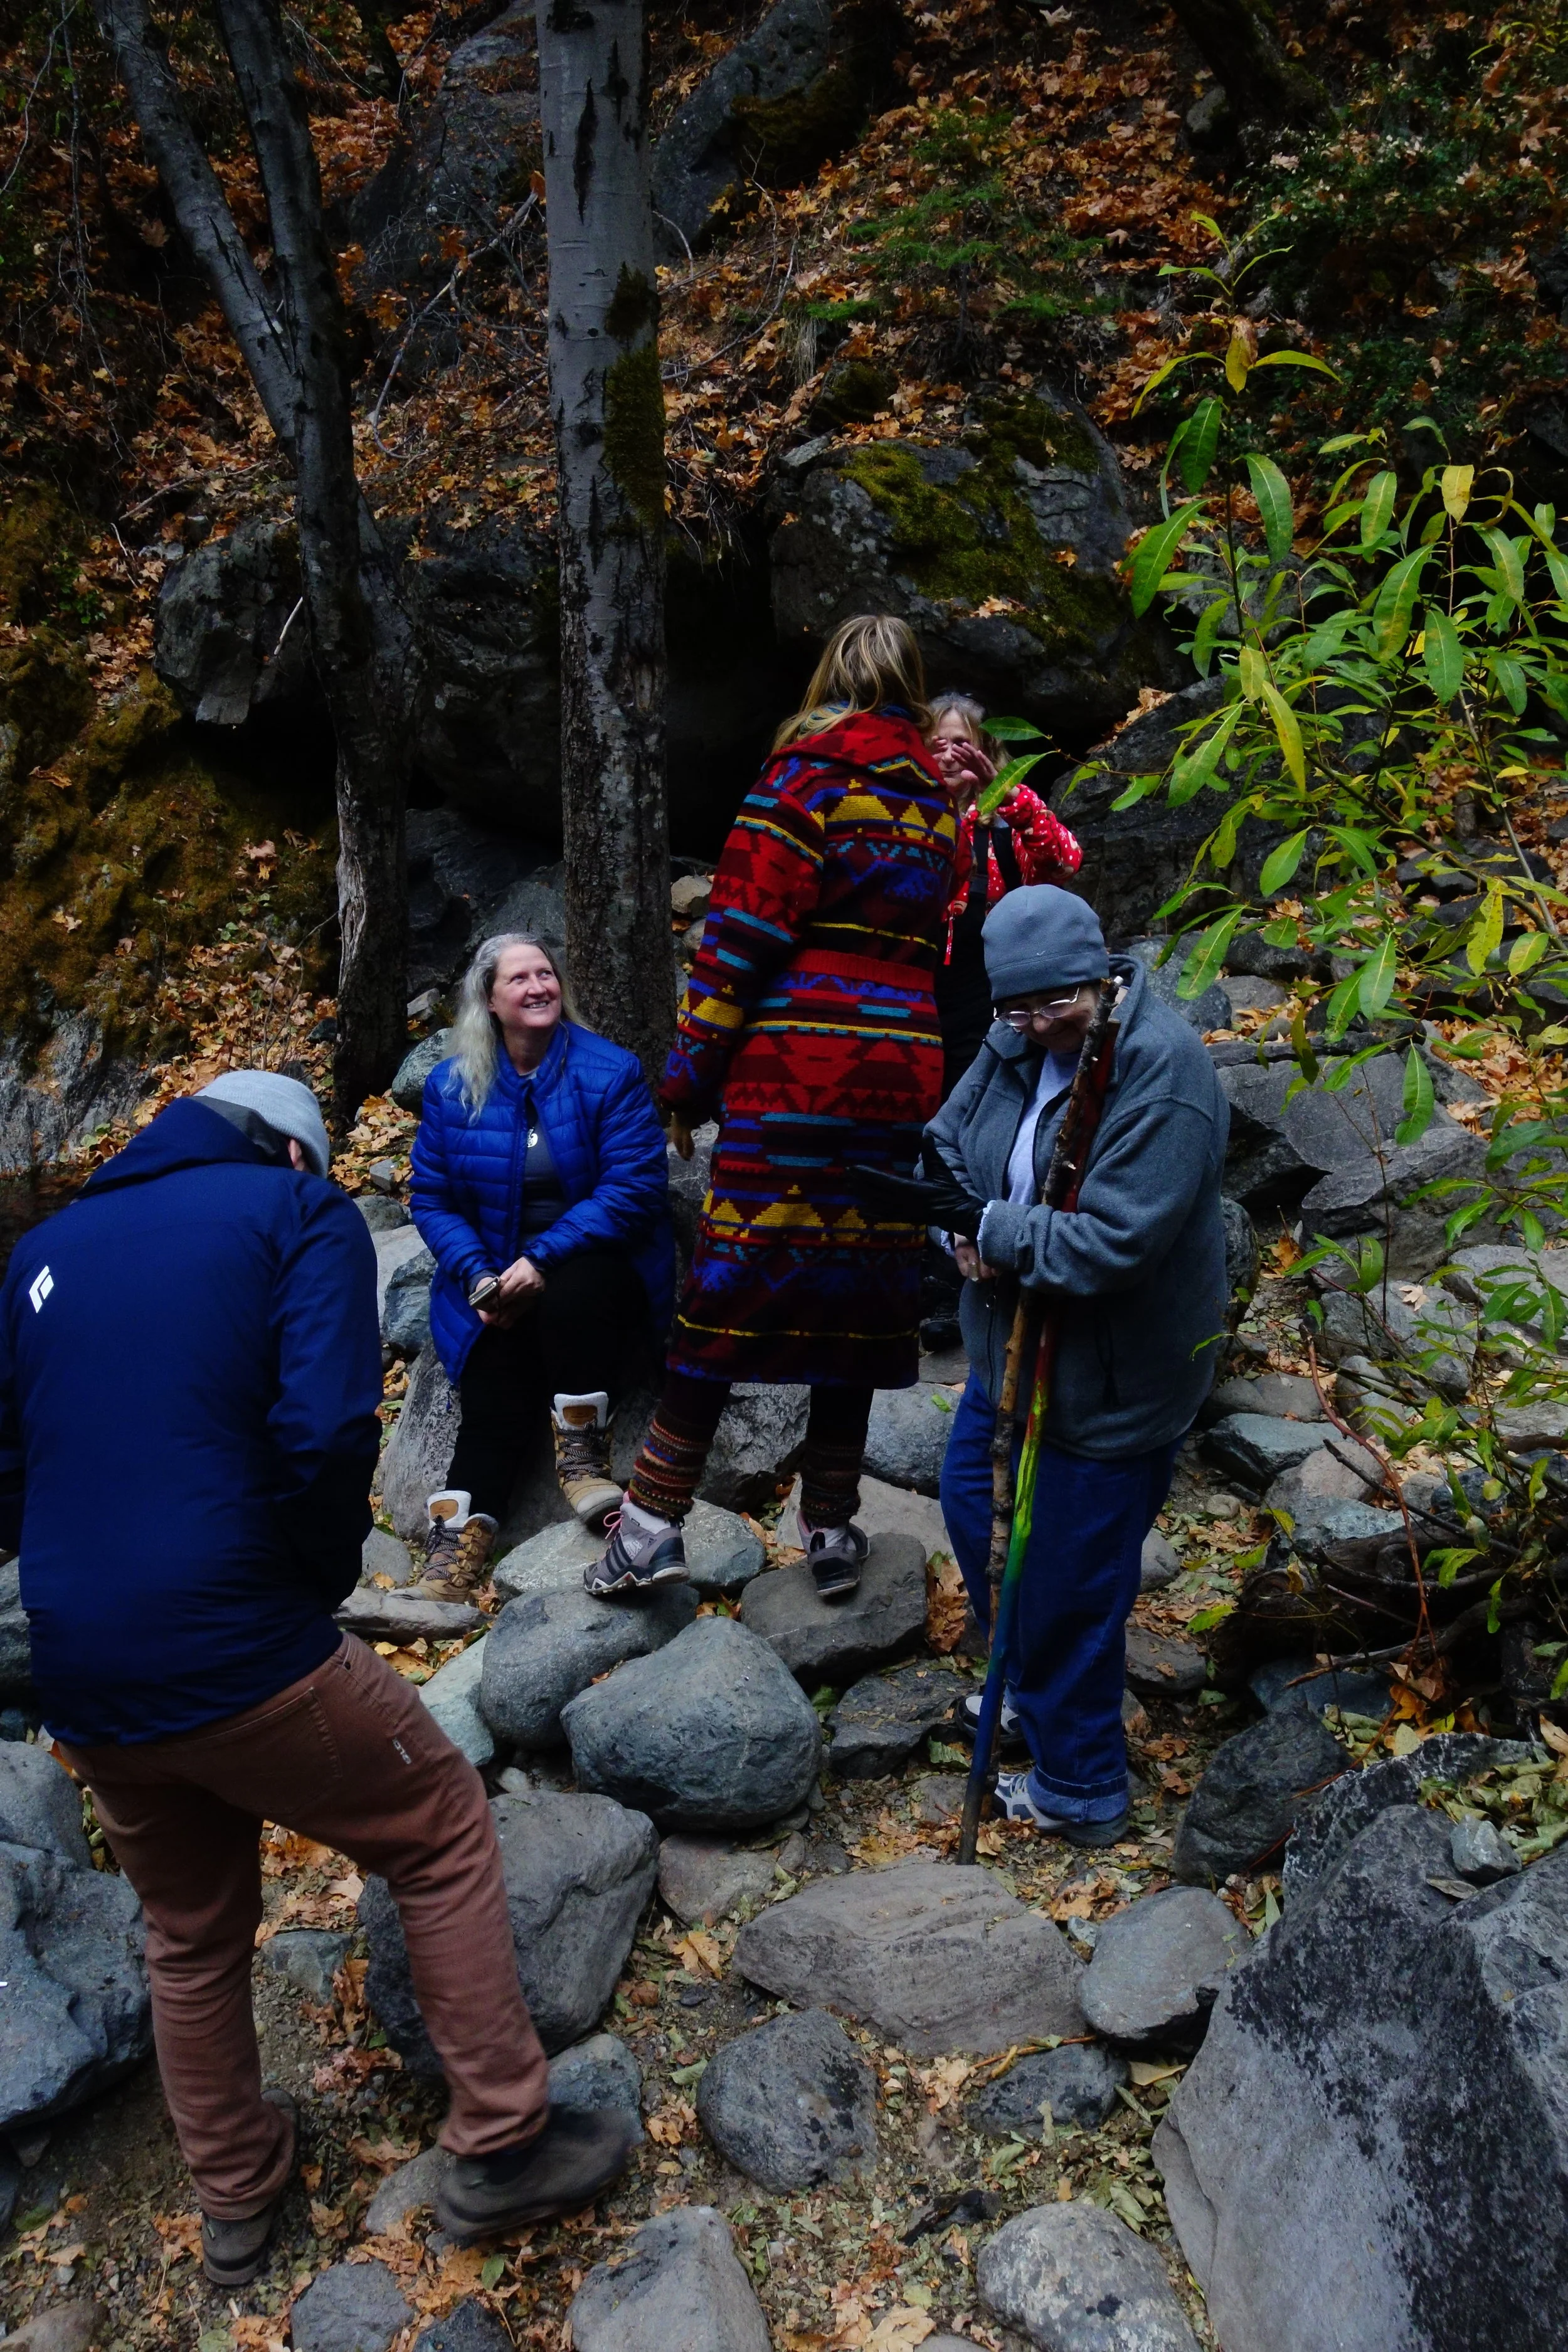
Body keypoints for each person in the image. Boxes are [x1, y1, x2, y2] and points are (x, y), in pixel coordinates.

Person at [0, 1069, 632, 2285]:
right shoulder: (299, 1219)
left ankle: (236, 2204)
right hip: (238, 1634)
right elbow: (327, 1431)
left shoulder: (45, 1248)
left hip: (82, 1664)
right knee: (438, 1823)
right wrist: (305, 1583)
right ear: (294, 1155)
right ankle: (503, 2145)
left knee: (186, 1932)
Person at [585, 613, 956, 1603]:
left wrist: (686, 1082)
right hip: (896, 1084)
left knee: (724, 1300)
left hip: (797, 1079)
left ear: (828, 676)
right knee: (856, 1306)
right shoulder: (936, 808)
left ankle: (650, 1525)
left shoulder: (804, 780)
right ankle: (831, 1526)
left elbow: (738, 939)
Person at [924, 887, 1229, 1845]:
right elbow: (944, 1147)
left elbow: (1114, 1242)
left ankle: (1081, 1785)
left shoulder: (1161, 1069)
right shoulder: (1017, 1038)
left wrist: (995, 1233)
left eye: (1055, 1002)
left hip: (1110, 1372)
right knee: (975, 1503)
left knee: (1068, 1578)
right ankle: (1034, 1688)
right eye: (1016, 1007)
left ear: (1098, 972)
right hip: (1007, 1348)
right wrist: (959, 1229)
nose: (1036, 1025)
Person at [410, 933, 675, 1596]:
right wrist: (478, 1274)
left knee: (570, 1294)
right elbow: (432, 1197)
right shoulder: (451, 1086)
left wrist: (540, 1259)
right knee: (493, 1383)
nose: (538, 987)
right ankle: (453, 1556)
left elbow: (635, 1189)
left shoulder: (608, 1071)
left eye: (546, 974)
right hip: (495, 1273)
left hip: (591, 1262)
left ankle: (582, 1454)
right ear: (490, 1000)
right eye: (519, 979)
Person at [927, 692, 1083, 1103]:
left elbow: (1065, 863)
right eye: (935, 745)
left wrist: (1010, 797)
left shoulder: (1008, 824)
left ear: (985, 749)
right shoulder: (901, 815)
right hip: (917, 995)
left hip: (992, 1004)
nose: (946, 757)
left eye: (959, 743)